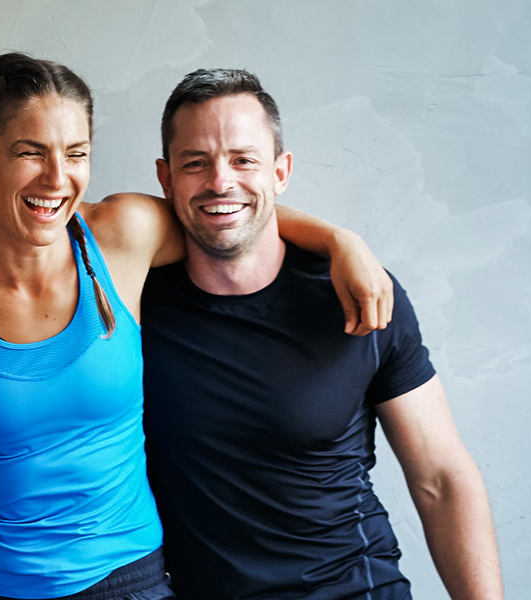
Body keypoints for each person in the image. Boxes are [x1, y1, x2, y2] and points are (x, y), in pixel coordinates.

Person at [0, 54, 389, 600]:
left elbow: (224, 212)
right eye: (30, 152)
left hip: (132, 580)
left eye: (75, 154)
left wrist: (339, 241)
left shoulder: (123, 236)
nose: (56, 178)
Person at [138, 69, 501, 600]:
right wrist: (337, 235)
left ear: (281, 172)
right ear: (166, 179)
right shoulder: (130, 301)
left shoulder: (359, 291)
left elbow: (441, 477)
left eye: (244, 160)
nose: (220, 181)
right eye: (196, 163)